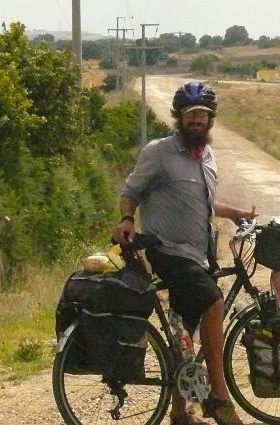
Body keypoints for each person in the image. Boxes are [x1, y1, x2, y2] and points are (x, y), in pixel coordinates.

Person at [112, 81, 255, 425]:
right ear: (178, 117)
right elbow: (130, 191)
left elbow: (202, 204)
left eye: (202, 114)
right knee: (214, 303)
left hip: (199, 255)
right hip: (168, 251)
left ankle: (179, 413)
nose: (196, 120)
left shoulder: (207, 157)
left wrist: (236, 214)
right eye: (190, 114)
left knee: (185, 335)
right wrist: (128, 217)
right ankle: (220, 398)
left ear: (210, 119)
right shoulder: (159, 152)